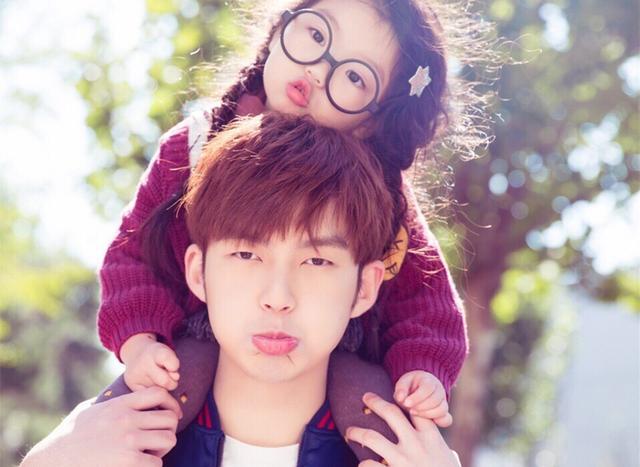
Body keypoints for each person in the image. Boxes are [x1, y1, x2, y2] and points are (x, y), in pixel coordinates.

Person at [97, 0, 493, 449]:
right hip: (194, 337)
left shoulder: (385, 199)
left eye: (354, 77)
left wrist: (422, 371)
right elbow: (132, 255)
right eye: (317, 36)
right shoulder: (194, 146)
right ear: (279, 29)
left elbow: (427, 301)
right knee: (145, 407)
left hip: (332, 354)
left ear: (371, 123)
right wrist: (140, 342)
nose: (319, 72)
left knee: (376, 417)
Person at [21, 113, 460, 467]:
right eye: (247, 255)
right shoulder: (107, 444)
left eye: (317, 261)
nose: (278, 297)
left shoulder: (399, 456)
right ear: (198, 272)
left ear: (364, 288)